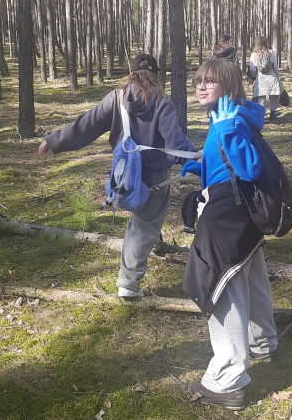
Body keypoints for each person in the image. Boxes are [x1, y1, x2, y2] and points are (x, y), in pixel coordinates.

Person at [37, 54, 198, 301]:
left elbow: (85, 126)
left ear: (131, 74)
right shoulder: (162, 102)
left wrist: (54, 140)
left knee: (146, 220)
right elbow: (175, 143)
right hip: (154, 176)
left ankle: (155, 244)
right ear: (156, 75)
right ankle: (128, 284)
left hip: (124, 175)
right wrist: (197, 160)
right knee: (145, 223)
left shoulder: (115, 98)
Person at [177, 58, 278, 410]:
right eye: (198, 81)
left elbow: (249, 168)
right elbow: (228, 162)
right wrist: (198, 166)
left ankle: (228, 381)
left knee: (222, 289)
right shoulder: (229, 115)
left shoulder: (229, 120)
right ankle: (263, 343)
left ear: (229, 86)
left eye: (209, 81)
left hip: (227, 217)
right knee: (252, 277)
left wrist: (228, 132)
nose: (200, 86)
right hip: (240, 212)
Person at [248, 36, 282, 120]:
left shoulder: (254, 54)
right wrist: (277, 76)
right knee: (273, 96)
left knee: (261, 98)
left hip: (260, 78)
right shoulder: (271, 52)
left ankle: (261, 116)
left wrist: (254, 77)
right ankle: (272, 114)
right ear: (266, 43)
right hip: (271, 76)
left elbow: (252, 68)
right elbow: (275, 66)